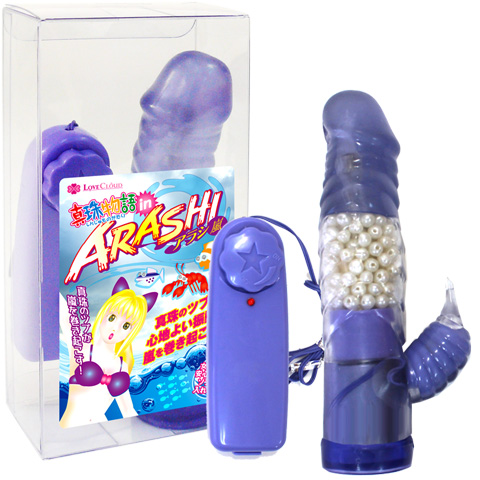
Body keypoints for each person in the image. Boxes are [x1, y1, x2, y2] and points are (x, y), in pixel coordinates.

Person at [60, 278, 157, 428]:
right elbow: (66, 316)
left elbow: (128, 410)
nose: (115, 328)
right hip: (72, 426)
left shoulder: (122, 366)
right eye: (112, 318)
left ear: (132, 332)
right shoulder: (82, 348)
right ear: (103, 313)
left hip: (102, 428)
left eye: (126, 326)